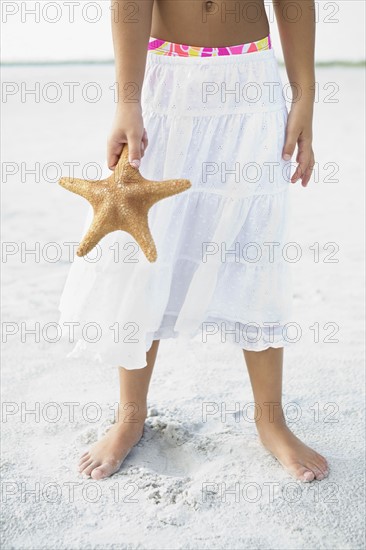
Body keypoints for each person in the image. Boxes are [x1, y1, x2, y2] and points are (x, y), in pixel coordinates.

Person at [60, 0, 329, 481]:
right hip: (165, 83)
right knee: (144, 250)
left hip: (251, 83)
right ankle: (130, 415)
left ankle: (271, 419)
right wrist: (128, 100)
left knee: (255, 247)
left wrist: (303, 96)